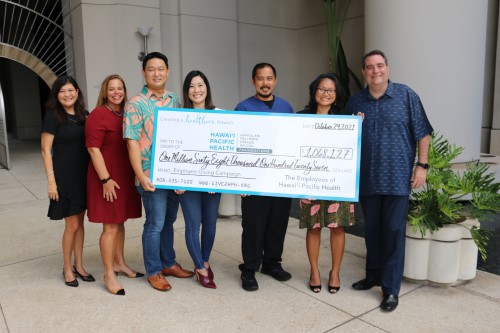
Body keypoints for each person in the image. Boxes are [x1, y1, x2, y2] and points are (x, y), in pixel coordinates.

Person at [346, 50, 433, 312]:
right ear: (364, 72)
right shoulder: (355, 102)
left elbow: (423, 133)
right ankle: (373, 275)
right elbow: (345, 139)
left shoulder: (406, 95)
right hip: (367, 179)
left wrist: (422, 166)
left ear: (387, 68)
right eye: (370, 67)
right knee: (371, 231)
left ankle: (391, 289)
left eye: (380, 66)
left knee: (394, 233)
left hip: (397, 178)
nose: (375, 71)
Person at [123, 52, 194, 292]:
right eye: (151, 69)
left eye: (161, 68)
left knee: (169, 221)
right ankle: (154, 270)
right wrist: (141, 177)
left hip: (171, 173)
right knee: (155, 223)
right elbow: (131, 142)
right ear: (144, 72)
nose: (156, 73)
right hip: (149, 174)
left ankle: (168, 263)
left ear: (168, 71)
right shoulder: (135, 103)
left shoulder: (174, 99)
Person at [298, 73, 360, 294]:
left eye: (330, 90)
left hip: (338, 183)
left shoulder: (345, 120)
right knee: (313, 228)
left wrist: (358, 126)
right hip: (309, 181)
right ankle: (314, 271)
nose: (325, 94)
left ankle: (335, 272)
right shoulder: (300, 118)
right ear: (314, 92)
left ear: (336, 95)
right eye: (321, 89)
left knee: (337, 228)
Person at [235, 63, 294, 291]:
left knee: (277, 223)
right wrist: (241, 179)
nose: (265, 83)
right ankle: (249, 268)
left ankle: (271, 263)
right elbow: (238, 147)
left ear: (275, 80)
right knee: (253, 225)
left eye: (269, 78)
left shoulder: (286, 107)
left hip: (280, 178)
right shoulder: (244, 108)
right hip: (254, 180)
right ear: (253, 81)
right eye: (260, 78)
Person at [86, 74, 143, 296]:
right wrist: (105, 179)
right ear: (104, 91)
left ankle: (119, 263)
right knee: (110, 226)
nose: (117, 92)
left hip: (124, 176)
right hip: (107, 178)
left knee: (120, 223)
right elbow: (93, 149)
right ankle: (108, 273)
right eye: (112, 89)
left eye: (120, 88)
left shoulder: (125, 113)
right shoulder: (98, 115)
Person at [41, 75, 94, 287]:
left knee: (80, 223)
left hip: (83, 176)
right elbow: (45, 150)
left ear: (77, 92)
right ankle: (66, 267)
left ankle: (79, 265)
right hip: (64, 176)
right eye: (62, 91)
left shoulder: (84, 115)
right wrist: (51, 181)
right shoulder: (53, 116)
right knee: (71, 224)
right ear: (56, 94)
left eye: (70, 90)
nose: (67, 94)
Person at [175, 70, 222, 289]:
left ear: (207, 88)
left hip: (212, 182)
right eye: (192, 86)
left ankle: (204, 259)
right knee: (193, 225)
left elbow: (225, 150)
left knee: (210, 224)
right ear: (187, 91)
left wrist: (216, 178)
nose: (197, 90)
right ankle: (200, 268)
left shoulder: (220, 114)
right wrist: (177, 180)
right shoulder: (179, 117)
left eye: (201, 85)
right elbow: (172, 150)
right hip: (187, 182)